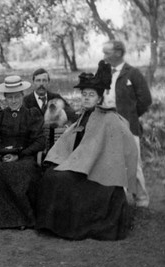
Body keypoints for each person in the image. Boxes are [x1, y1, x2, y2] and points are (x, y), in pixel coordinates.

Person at [36, 62, 138, 240]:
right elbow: (70, 139)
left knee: (61, 179)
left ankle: (68, 229)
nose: (86, 98)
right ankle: (51, 225)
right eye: (84, 95)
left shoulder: (110, 118)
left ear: (99, 98)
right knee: (51, 174)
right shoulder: (84, 115)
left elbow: (124, 145)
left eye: (91, 95)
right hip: (80, 164)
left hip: (97, 172)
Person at [0, 75, 45, 229]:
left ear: (22, 96)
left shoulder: (31, 114)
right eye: (10, 97)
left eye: (17, 96)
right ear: (5, 98)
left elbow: (40, 141)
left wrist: (20, 155)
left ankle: (22, 219)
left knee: (21, 170)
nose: (14, 100)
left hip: (24, 155)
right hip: (0, 154)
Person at [102, 40, 152, 208]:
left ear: (118, 53)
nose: (104, 56)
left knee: (133, 163)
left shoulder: (133, 73)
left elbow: (145, 99)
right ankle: (119, 204)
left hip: (129, 127)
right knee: (112, 164)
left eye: (106, 53)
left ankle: (141, 202)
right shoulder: (104, 72)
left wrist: (130, 115)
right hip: (108, 126)